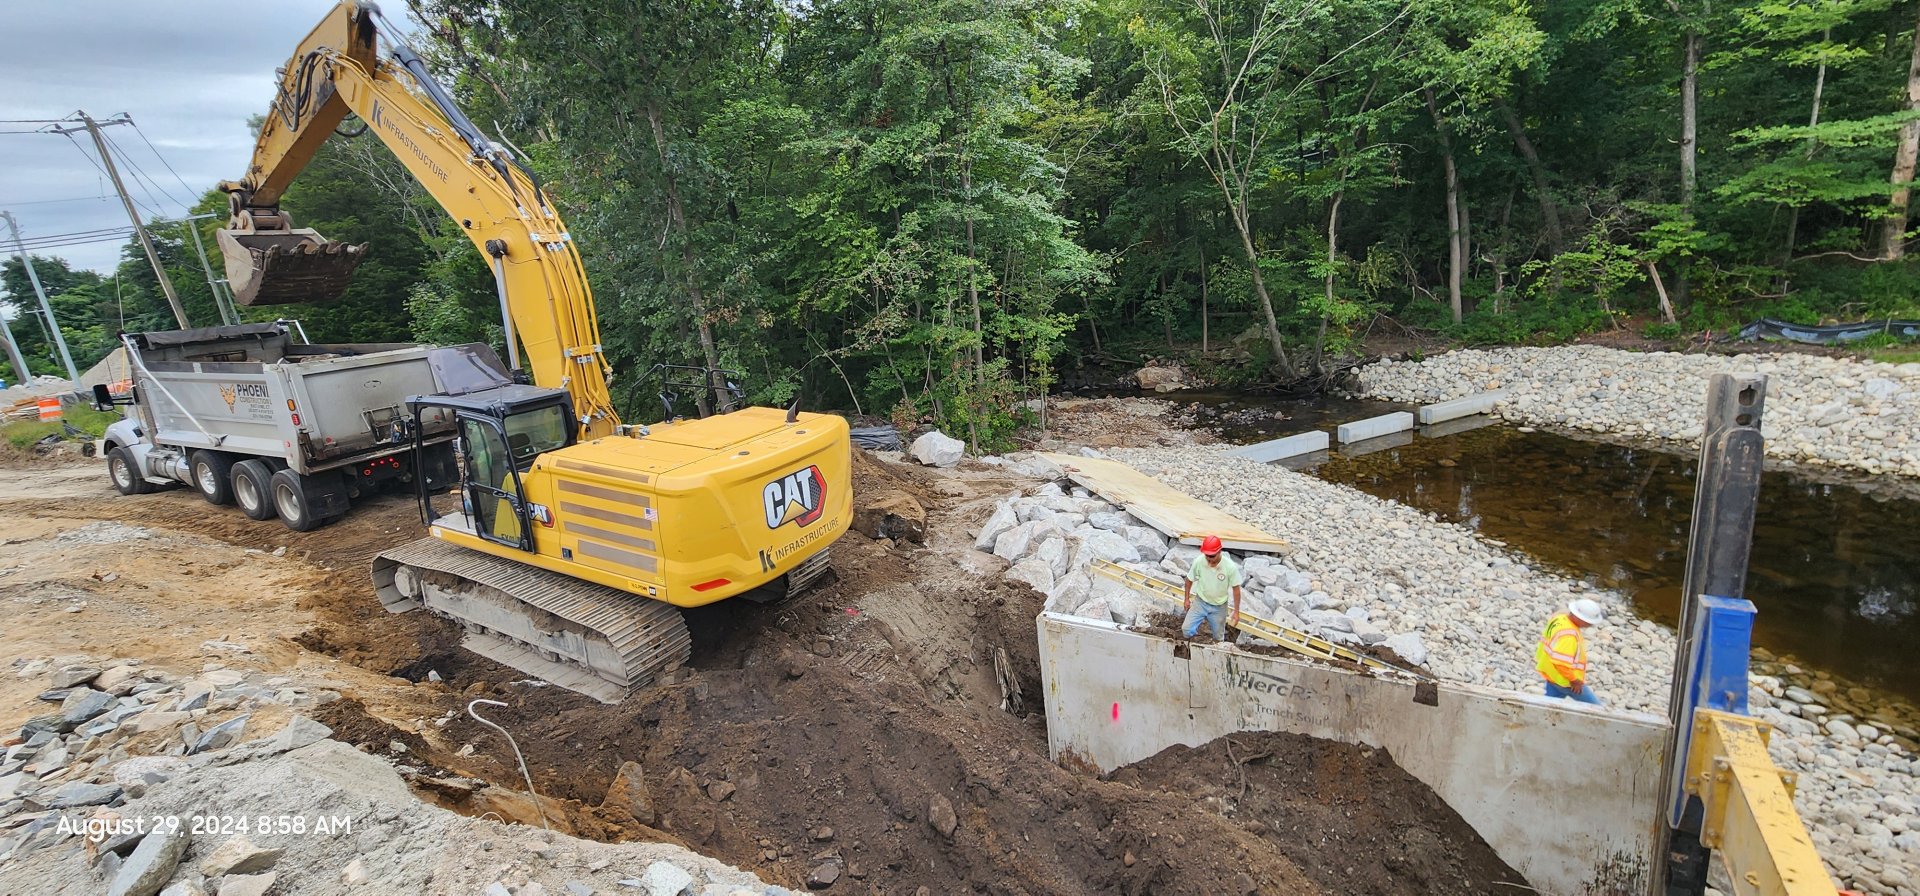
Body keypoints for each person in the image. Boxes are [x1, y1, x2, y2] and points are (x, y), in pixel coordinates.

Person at [1536, 598, 1606, 705]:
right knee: (1595, 707)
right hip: (1565, 682)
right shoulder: (1569, 636)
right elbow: (1561, 664)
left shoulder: (1559, 619)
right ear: (1579, 618)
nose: (1590, 625)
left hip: (1551, 674)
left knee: (1550, 704)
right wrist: (1574, 681)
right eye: (1588, 622)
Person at [1182, 535, 1243, 642]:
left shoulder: (1229, 567)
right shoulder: (1199, 562)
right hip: (1200, 602)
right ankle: (1194, 644)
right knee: (1186, 630)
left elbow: (1236, 589)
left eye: (1213, 556)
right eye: (1207, 556)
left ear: (1220, 551)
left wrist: (1236, 611)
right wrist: (1186, 599)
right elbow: (1189, 579)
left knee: (1218, 638)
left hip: (1219, 607)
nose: (1210, 560)